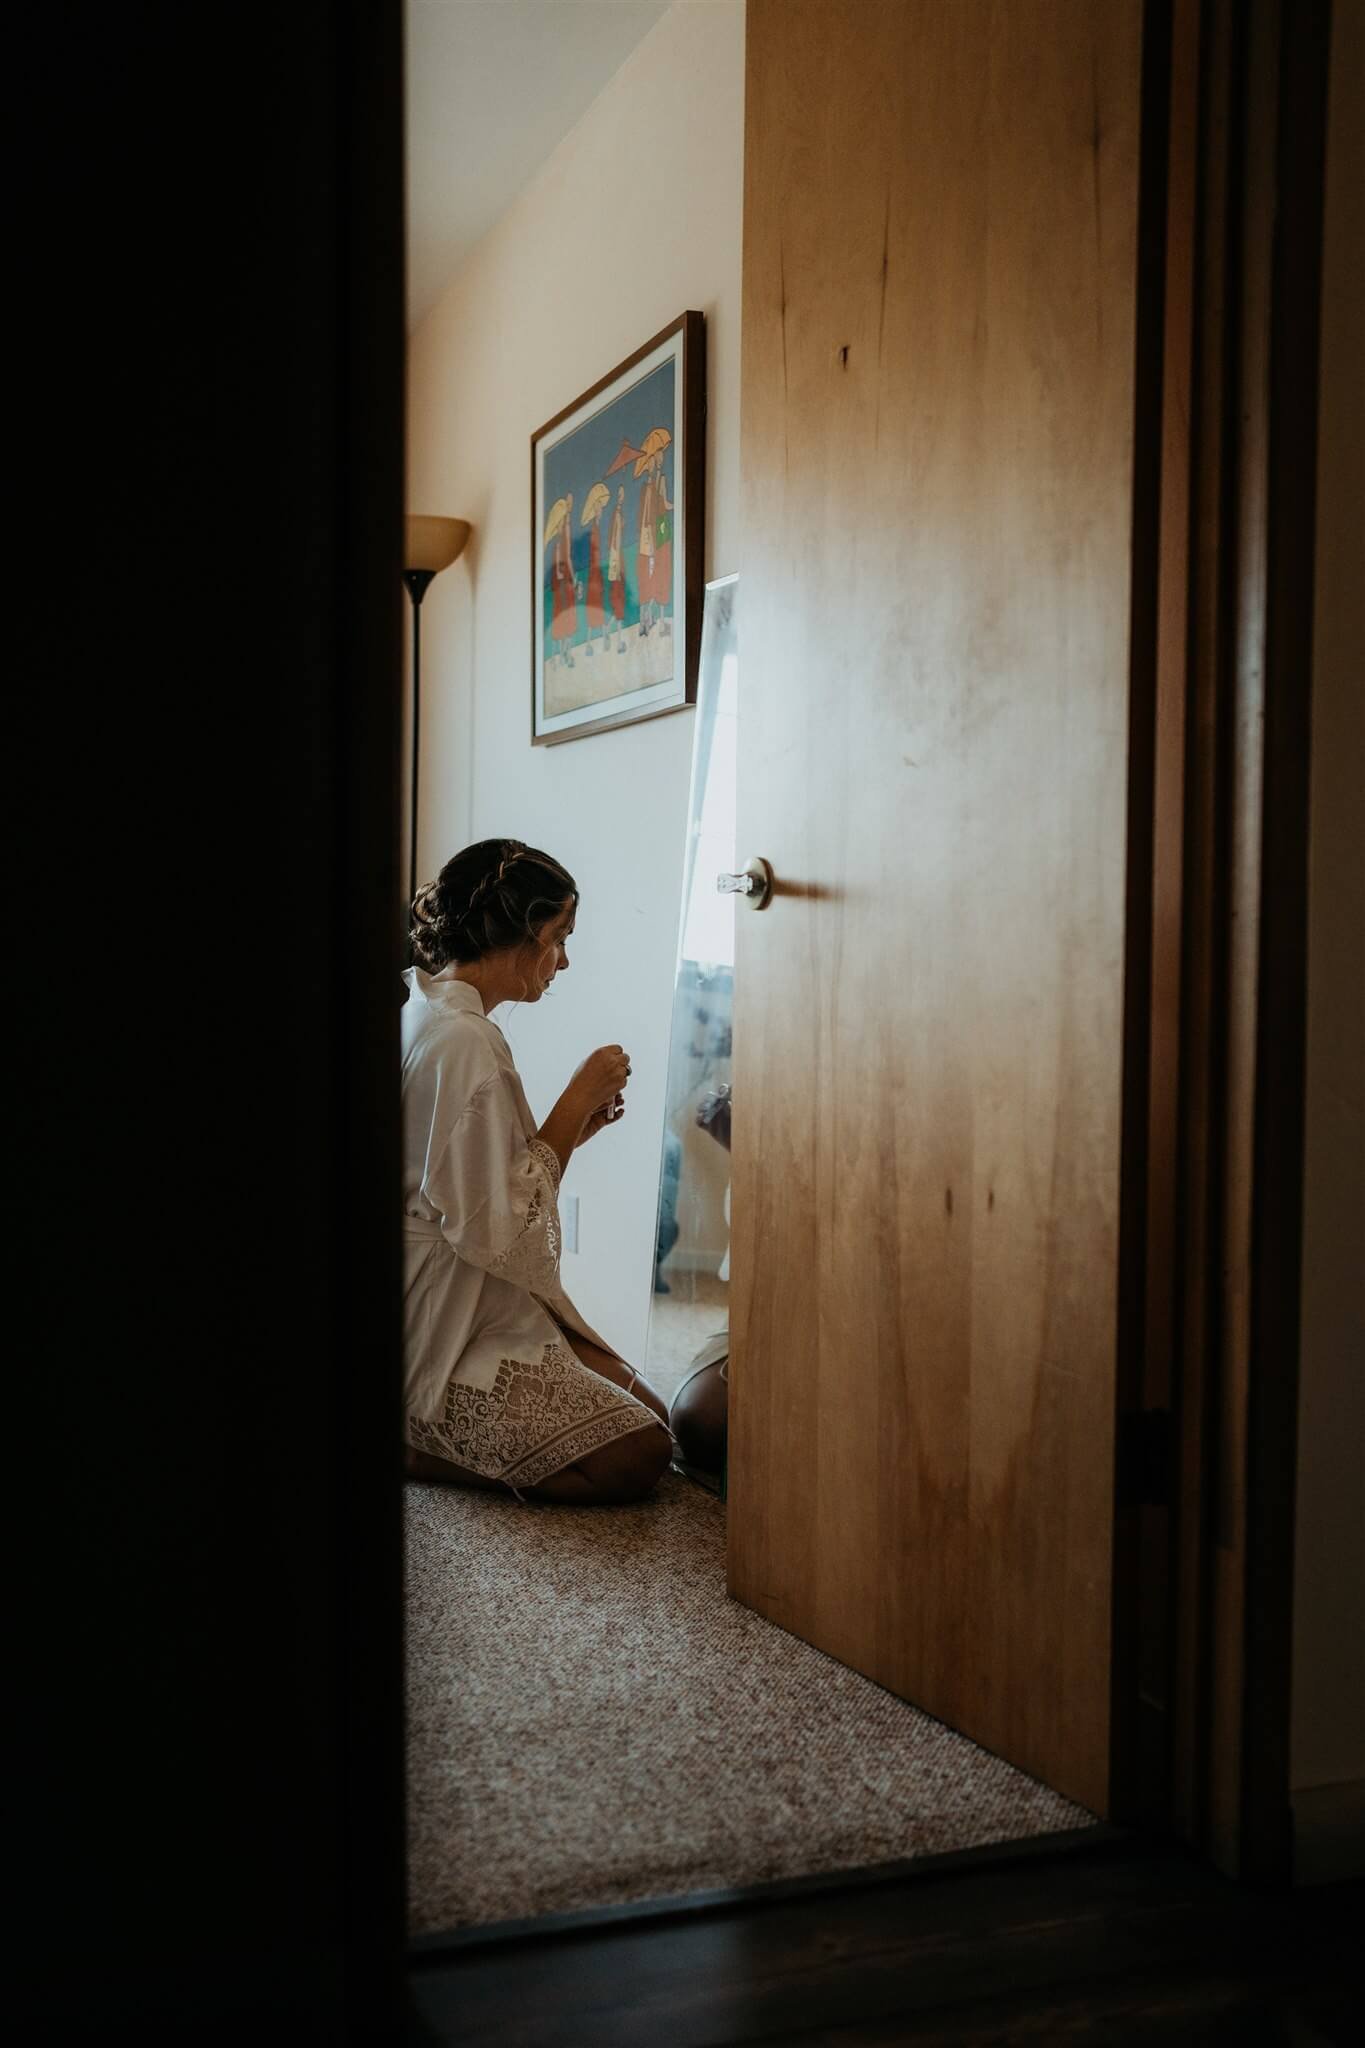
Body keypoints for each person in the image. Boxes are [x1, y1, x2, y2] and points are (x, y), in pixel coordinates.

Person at [402, 838, 673, 1503]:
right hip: (444, 1308)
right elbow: (493, 1229)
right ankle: (410, 1444)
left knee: (654, 1413)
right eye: (558, 936)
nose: (564, 959)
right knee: (639, 1454)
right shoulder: (466, 1040)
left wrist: (571, 1132)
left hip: (473, 1278)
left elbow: (485, 1187)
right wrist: (573, 1099)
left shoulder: (434, 1010)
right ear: (519, 935)